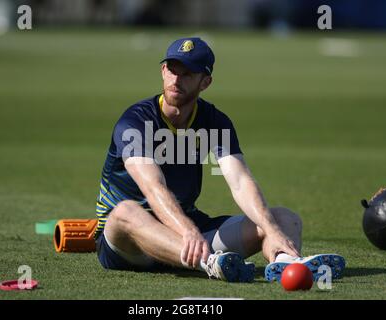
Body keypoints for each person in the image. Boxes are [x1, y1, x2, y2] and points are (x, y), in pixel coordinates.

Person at [94, 37, 345, 282]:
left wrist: (272, 231)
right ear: (163, 70)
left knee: (283, 218)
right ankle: (211, 263)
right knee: (125, 212)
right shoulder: (135, 122)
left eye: (187, 74)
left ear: (205, 82)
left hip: (188, 239)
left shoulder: (214, 122)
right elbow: (153, 187)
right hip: (131, 245)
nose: (176, 79)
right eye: (172, 70)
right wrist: (188, 231)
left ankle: (284, 262)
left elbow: (240, 182)